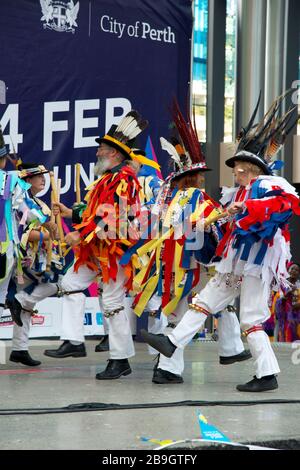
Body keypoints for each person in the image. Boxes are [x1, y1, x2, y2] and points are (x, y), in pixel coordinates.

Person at [142, 92, 300, 391]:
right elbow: (232, 223)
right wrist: (219, 220)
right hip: (234, 261)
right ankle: (171, 342)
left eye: (239, 167)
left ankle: (267, 375)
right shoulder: (237, 191)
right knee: (205, 301)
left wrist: (249, 209)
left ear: (251, 170)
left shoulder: (268, 183)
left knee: (251, 318)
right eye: (235, 167)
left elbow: (288, 204)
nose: (234, 171)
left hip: (257, 261)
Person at [124, 101, 250, 384]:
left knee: (180, 311)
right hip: (195, 263)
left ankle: (171, 368)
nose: (201, 182)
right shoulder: (196, 198)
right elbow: (212, 226)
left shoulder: (163, 199)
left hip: (172, 263)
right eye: (199, 177)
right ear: (193, 178)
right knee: (209, 305)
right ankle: (225, 350)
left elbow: (145, 222)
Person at [44, 110, 160, 380]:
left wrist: (79, 235)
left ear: (116, 155)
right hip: (96, 249)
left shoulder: (125, 180)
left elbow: (113, 216)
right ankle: (71, 339)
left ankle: (120, 360)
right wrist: (71, 214)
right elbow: (95, 213)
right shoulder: (106, 180)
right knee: (70, 284)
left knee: (111, 302)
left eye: (103, 149)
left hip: (115, 252)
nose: (97, 153)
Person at [8, 163, 61, 366]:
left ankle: (19, 349)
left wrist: (52, 227)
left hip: (37, 258)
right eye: (38, 176)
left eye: (44, 176)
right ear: (27, 180)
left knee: (26, 304)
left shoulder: (39, 202)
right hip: (23, 259)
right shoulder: (19, 200)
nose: (43, 180)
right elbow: (19, 231)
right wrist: (44, 234)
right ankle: (20, 300)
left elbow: (47, 232)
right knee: (61, 283)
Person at [275, 262, 300, 342]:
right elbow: (277, 299)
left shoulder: (299, 285)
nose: (294, 271)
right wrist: (288, 293)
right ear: (288, 271)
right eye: (292, 269)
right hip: (283, 316)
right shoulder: (282, 284)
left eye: (296, 270)